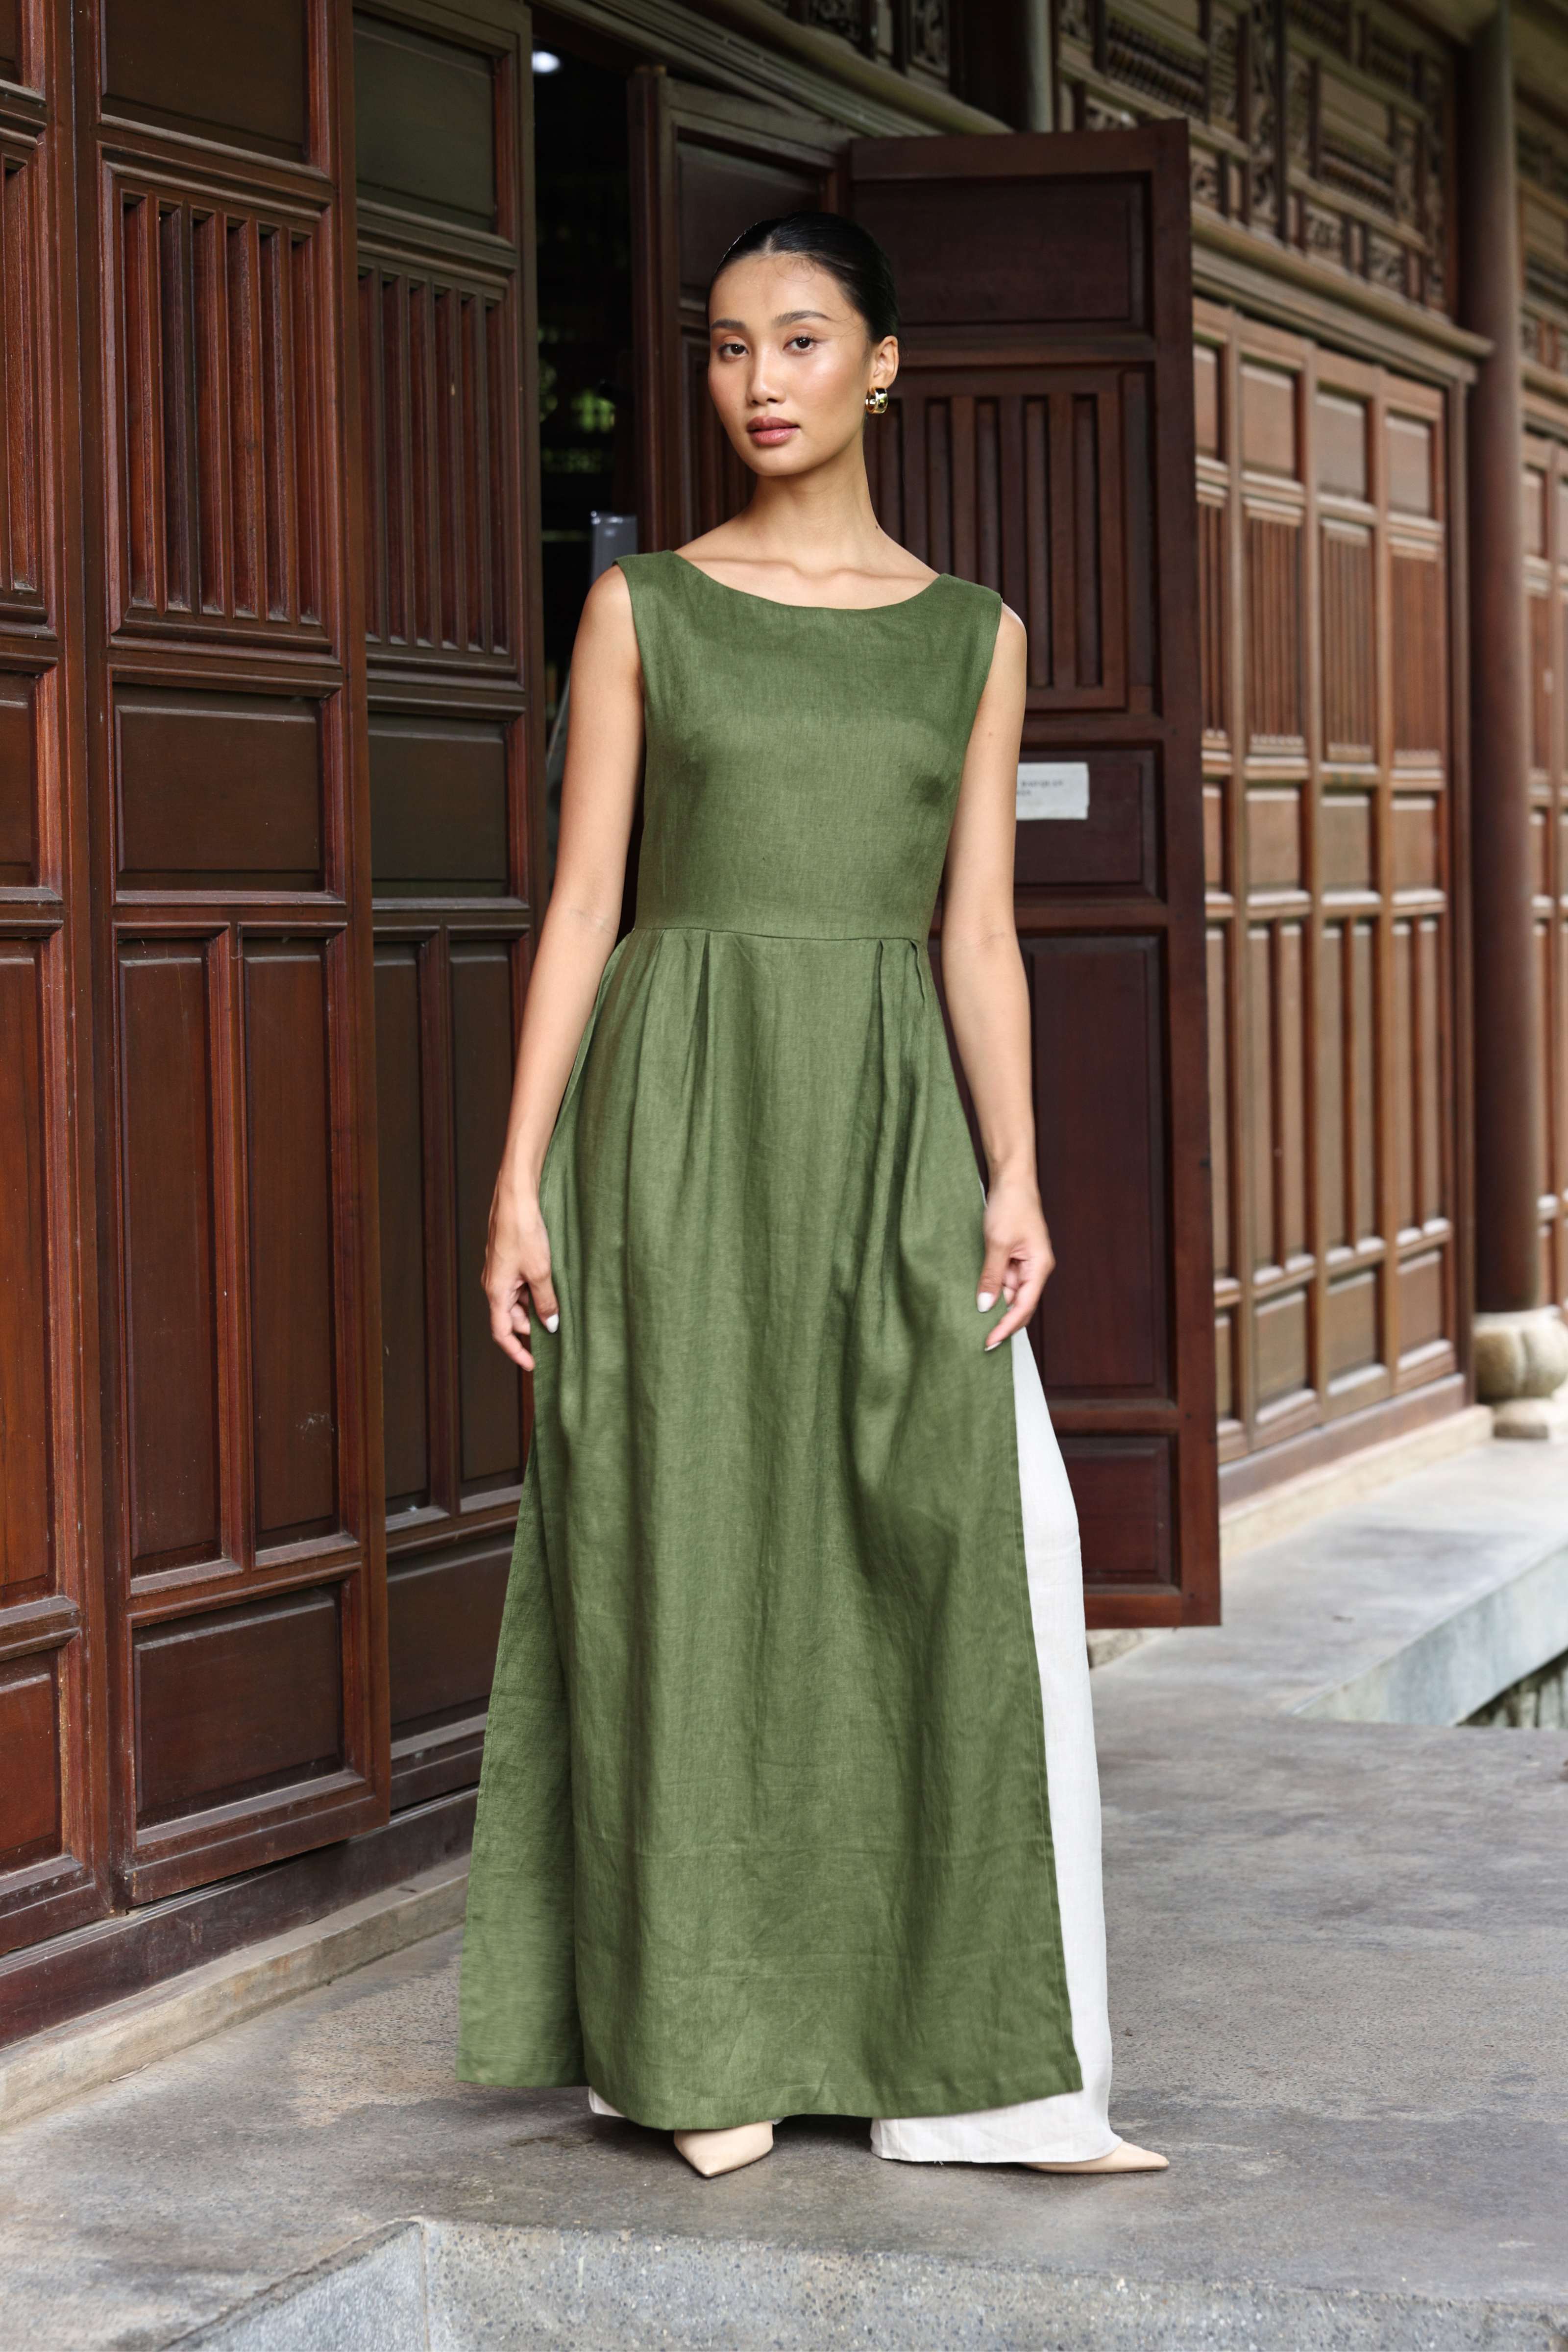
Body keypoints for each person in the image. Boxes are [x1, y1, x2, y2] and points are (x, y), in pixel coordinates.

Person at [455, 210, 1167, 2185]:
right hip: (673, 1109)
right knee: (685, 1550)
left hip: (884, 1114)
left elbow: (978, 940)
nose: (754, 380)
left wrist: (1012, 1161)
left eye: (795, 340)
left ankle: (962, 2049)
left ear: (879, 368)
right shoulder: (646, 614)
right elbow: (585, 903)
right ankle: (702, 2041)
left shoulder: (972, 634)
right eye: (721, 346)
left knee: (922, 1540)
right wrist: (519, 1175)